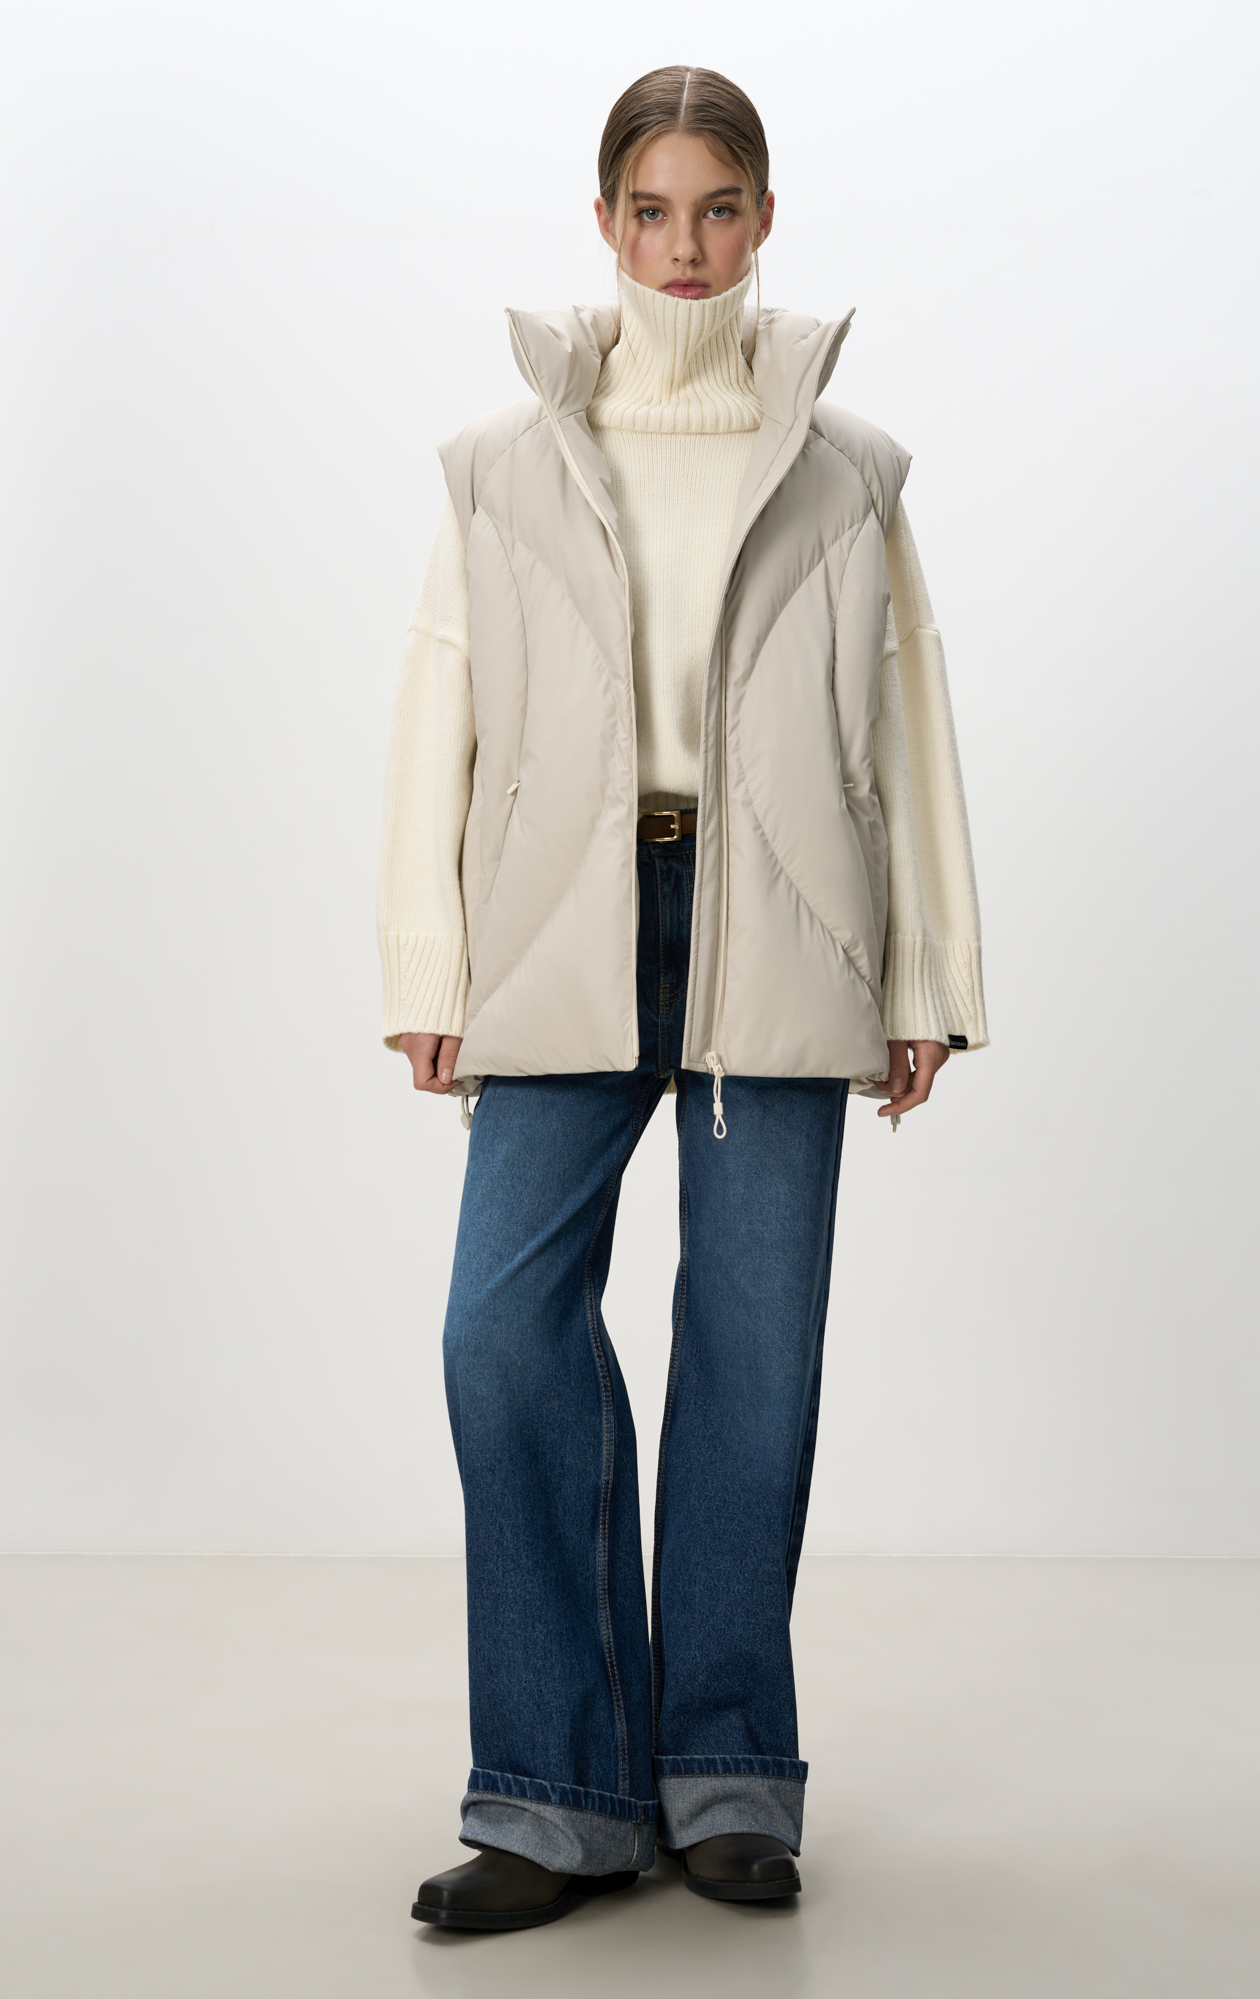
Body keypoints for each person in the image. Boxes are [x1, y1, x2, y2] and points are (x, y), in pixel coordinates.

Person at [377, 64, 987, 1933]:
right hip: (560, 926)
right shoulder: (500, 462)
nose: (685, 247)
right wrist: (427, 962)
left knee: (752, 1357)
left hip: (780, 925)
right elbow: (437, 707)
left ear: (765, 217)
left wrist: (926, 974)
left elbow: (906, 716)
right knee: (500, 1331)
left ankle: (725, 1775)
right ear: (604, 223)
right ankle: (555, 1792)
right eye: (651, 210)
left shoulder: (846, 465)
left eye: (718, 208)